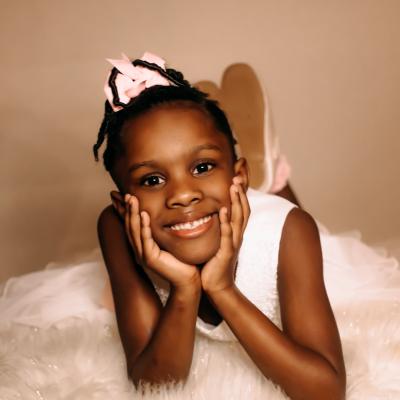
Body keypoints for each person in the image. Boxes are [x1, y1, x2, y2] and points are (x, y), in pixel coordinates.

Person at [93, 52, 346, 399]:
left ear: (239, 177)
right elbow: (151, 384)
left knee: (318, 236)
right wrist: (185, 289)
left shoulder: (290, 229)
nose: (182, 195)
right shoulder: (115, 226)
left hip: (265, 218)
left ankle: (266, 166)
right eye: (152, 179)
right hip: (214, 208)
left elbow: (326, 391)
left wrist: (223, 289)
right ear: (123, 205)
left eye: (202, 167)